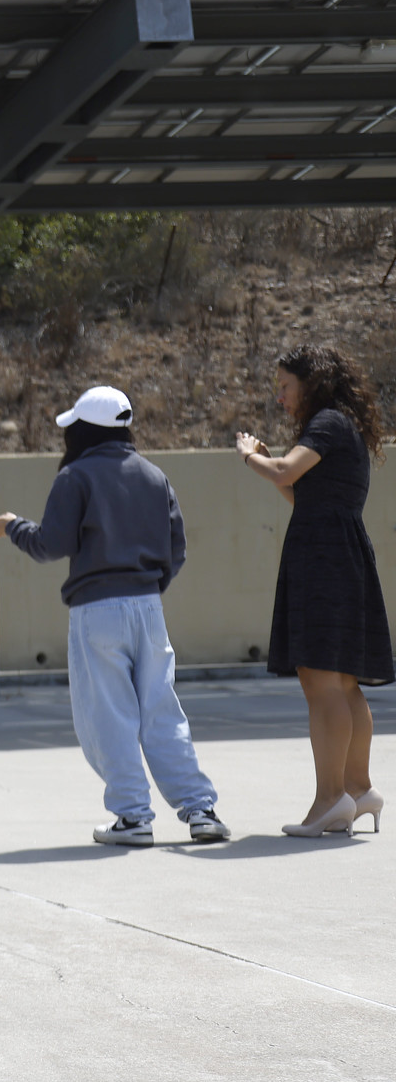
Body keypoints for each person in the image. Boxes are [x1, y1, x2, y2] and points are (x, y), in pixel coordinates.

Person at [0, 387, 229, 846]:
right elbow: (176, 549)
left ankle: (134, 817)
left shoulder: (75, 477)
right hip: (147, 606)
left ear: (83, 431)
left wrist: (13, 526)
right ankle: (201, 810)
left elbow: (51, 544)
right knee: (162, 710)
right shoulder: (154, 476)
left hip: (96, 610)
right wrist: (148, 588)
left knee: (110, 716)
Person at [236, 347, 393, 838]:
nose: (279, 396)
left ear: (313, 382)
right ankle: (358, 789)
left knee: (320, 682)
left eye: (285, 385)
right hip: (341, 553)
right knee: (343, 682)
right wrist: (269, 462)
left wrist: (250, 457)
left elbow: (285, 473)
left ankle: (330, 801)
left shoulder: (326, 423)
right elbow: (300, 490)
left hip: (323, 557)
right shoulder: (342, 425)